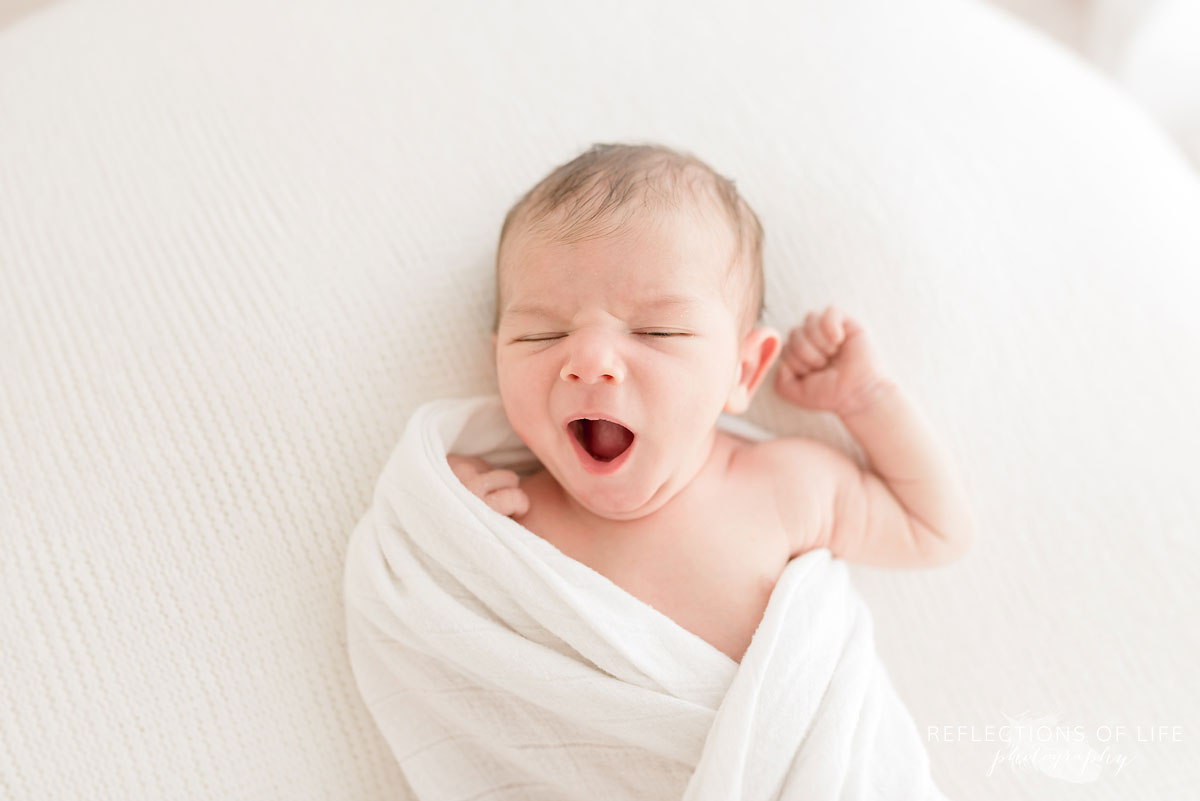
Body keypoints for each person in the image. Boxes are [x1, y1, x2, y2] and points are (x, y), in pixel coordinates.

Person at [448, 142, 975, 663]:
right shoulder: (501, 514)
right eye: (541, 335)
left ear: (742, 370)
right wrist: (449, 521)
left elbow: (933, 529)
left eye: (658, 331)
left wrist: (867, 399)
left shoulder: (783, 488)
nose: (590, 360)